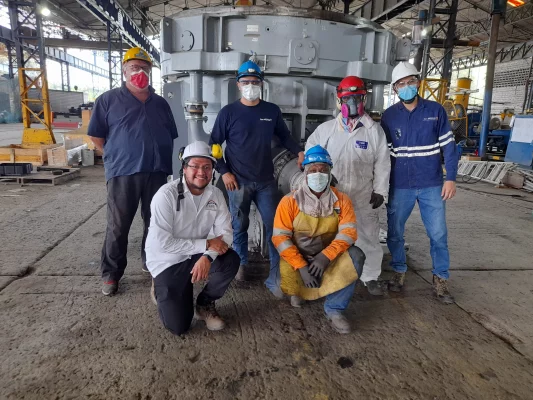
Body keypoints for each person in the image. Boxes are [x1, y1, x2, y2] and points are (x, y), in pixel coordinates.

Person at [209, 60, 304, 298]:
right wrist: (224, 171)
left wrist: (300, 151)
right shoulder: (228, 113)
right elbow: (214, 145)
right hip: (237, 182)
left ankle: (275, 275)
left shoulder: (270, 111)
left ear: (261, 84)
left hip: (265, 182)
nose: (250, 85)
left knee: (277, 229)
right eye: (246, 82)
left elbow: (284, 136)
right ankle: (241, 265)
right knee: (239, 226)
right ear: (238, 85)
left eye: (255, 82)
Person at [88, 47, 178, 296]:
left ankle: (151, 262)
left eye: (145, 68)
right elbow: (97, 136)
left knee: (156, 222)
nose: (140, 72)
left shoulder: (160, 103)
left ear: (151, 72)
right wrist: (117, 155)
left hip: (157, 171)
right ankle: (111, 274)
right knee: (118, 225)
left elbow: (170, 134)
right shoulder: (107, 100)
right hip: (123, 173)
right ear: (124, 71)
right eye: (134, 68)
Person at [380, 61, 458, 304]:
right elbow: (383, 155)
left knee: (438, 233)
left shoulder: (435, 111)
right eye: (401, 84)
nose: (407, 87)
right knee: (395, 232)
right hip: (400, 185)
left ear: (418, 82)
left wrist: (451, 179)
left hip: (431, 184)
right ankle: (399, 271)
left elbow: (449, 147)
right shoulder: (389, 116)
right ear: (394, 89)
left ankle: (441, 279)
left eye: (410, 82)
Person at [305, 76, 390, 296]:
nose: (352, 103)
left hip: (363, 195)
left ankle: (370, 276)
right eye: (348, 98)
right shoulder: (326, 130)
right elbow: (311, 151)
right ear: (339, 100)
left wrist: (381, 191)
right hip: (333, 195)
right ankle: (327, 272)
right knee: (327, 235)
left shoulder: (374, 131)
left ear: (364, 98)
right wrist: (322, 173)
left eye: (357, 98)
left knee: (369, 235)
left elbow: (382, 162)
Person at [145, 141, 240, 335]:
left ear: (213, 170)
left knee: (230, 260)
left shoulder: (216, 194)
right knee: (178, 326)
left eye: (207, 167)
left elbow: (226, 234)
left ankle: (204, 304)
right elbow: (163, 243)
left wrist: (207, 257)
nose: (201, 172)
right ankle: (161, 283)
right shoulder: (166, 196)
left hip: (197, 256)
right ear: (184, 168)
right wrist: (205, 244)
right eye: (194, 166)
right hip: (168, 261)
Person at [272, 146, 366, 334]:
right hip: (300, 258)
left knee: (356, 255)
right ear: (305, 173)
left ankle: (335, 309)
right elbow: (280, 238)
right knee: (283, 281)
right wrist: (302, 266)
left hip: (328, 257)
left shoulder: (342, 200)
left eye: (323, 170)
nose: (318, 174)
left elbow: (348, 233)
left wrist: (325, 257)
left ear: (330, 172)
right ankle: (298, 291)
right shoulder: (289, 201)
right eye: (313, 170)